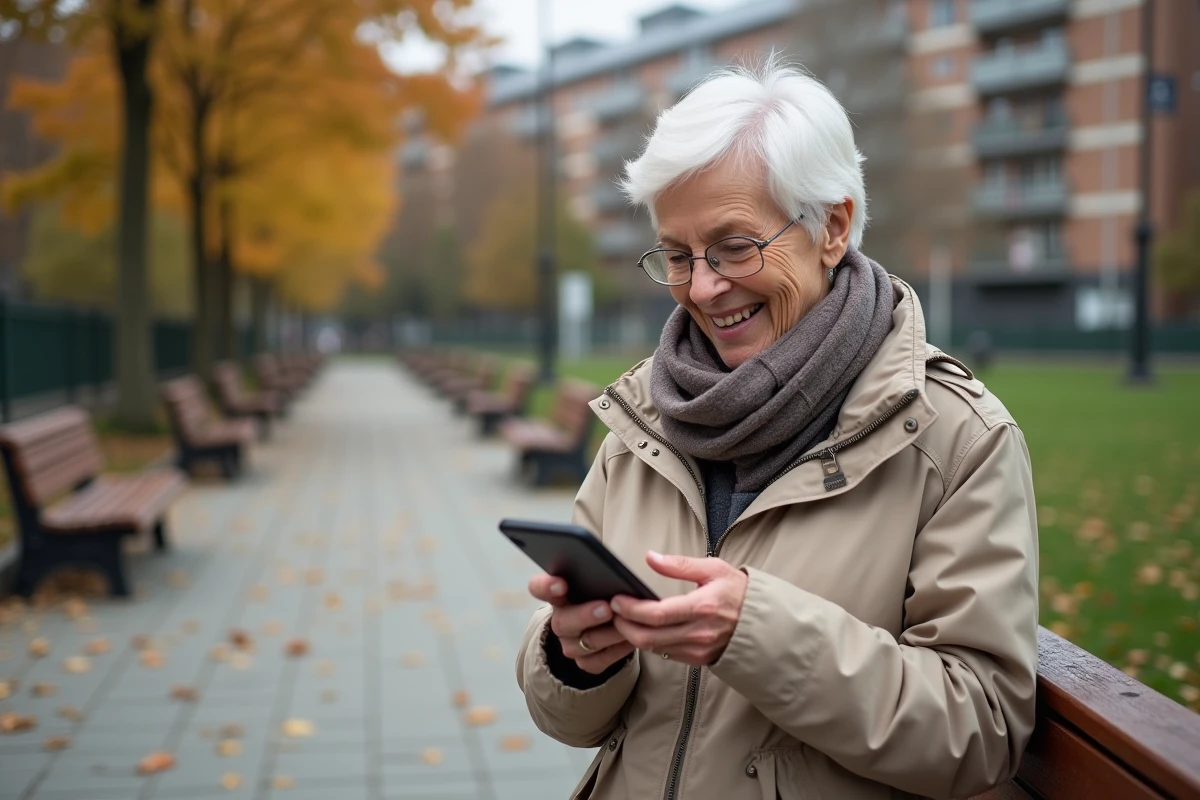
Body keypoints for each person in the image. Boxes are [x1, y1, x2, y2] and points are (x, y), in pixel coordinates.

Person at [516, 64, 1038, 800]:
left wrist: (756, 631)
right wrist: (572, 656)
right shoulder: (640, 418)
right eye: (677, 255)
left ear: (832, 227)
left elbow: (980, 729)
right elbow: (569, 721)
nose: (702, 287)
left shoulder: (957, 439)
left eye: (735, 246)